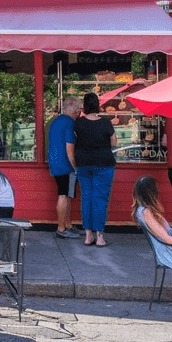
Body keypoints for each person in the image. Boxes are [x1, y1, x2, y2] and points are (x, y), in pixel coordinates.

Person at [73, 92, 116, 248]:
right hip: (103, 163)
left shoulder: (78, 123)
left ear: (84, 106)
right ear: (98, 105)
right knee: (100, 199)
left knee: (86, 197)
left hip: (83, 163)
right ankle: (99, 237)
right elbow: (114, 143)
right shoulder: (105, 123)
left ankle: (88, 235)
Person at [48, 97, 82, 238]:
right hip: (66, 165)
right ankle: (61, 228)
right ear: (75, 110)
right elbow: (70, 148)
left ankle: (67, 224)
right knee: (64, 195)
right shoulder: (70, 123)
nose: (80, 112)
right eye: (79, 109)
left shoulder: (56, 121)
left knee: (68, 195)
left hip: (55, 162)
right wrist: (75, 167)